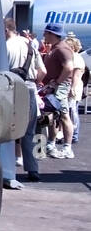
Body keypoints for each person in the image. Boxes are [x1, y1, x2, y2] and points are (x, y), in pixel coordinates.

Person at [4, 18, 40, 185]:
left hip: (11, 88)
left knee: (8, 131)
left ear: (5, 30)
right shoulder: (29, 45)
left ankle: (8, 171)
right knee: (29, 132)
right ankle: (33, 169)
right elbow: (43, 71)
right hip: (31, 88)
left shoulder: (5, 46)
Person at [40, 24, 76, 159]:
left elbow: (69, 68)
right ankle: (51, 143)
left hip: (59, 87)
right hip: (54, 86)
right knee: (54, 116)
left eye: (46, 33)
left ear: (52, 34)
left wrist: (57, 83)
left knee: (63, 115)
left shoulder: (62, 49)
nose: (44, 35)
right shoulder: (56, 48)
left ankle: (67, 147)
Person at [68, 33, 85, 145]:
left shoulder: (77, 59)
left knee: (73, 111)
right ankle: (72, 133)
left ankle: (74, 135)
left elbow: (76, 76)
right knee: (72, 110)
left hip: (75, 86)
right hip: (74, 86)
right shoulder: (73, 57)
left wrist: (72, 89)